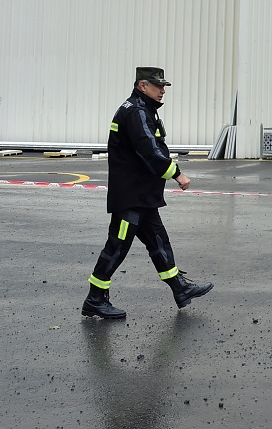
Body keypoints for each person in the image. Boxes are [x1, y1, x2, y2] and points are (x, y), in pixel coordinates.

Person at [81, 66, 213, 319]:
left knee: (158, 241)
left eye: (164, 86)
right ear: (143, 86)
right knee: (117, 246)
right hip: (131, 196)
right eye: (158, 86)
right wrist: (177, 173)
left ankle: (180, 288)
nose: (163, 91)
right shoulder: (136, 113)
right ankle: (95, 298)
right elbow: (150, 150)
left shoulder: (143, 110)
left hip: (142, 196)